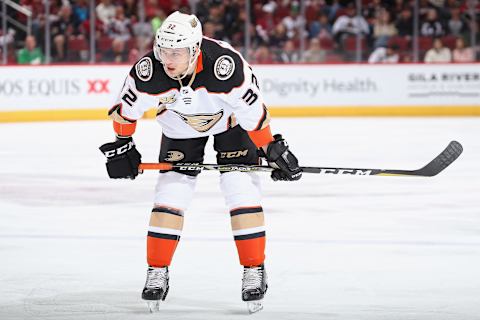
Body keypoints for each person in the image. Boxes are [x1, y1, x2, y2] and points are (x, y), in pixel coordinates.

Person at [99, 11, 302, 313]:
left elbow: (254, 117)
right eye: (163, 50)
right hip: (179, 129)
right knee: (170, 194)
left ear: (194, 50)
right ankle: (157, 270)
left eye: (176, 52)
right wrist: (122, 144)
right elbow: (126, 111)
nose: (167, 59)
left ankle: (253, 269)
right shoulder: (149, 70)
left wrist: (272, 149)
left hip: (232, 126)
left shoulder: (226, 67)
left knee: (240, 189)